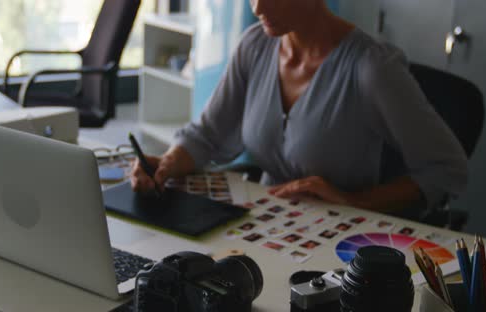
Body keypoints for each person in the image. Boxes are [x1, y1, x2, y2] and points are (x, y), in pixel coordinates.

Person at [131, 0, 467, 218]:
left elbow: (447, 168)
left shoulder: (372, 68)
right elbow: (206, 134)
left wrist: (354, 204)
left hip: (341, 241)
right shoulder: (255, 45)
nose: (258, 5)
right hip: (268, 224)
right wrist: (170, 161)